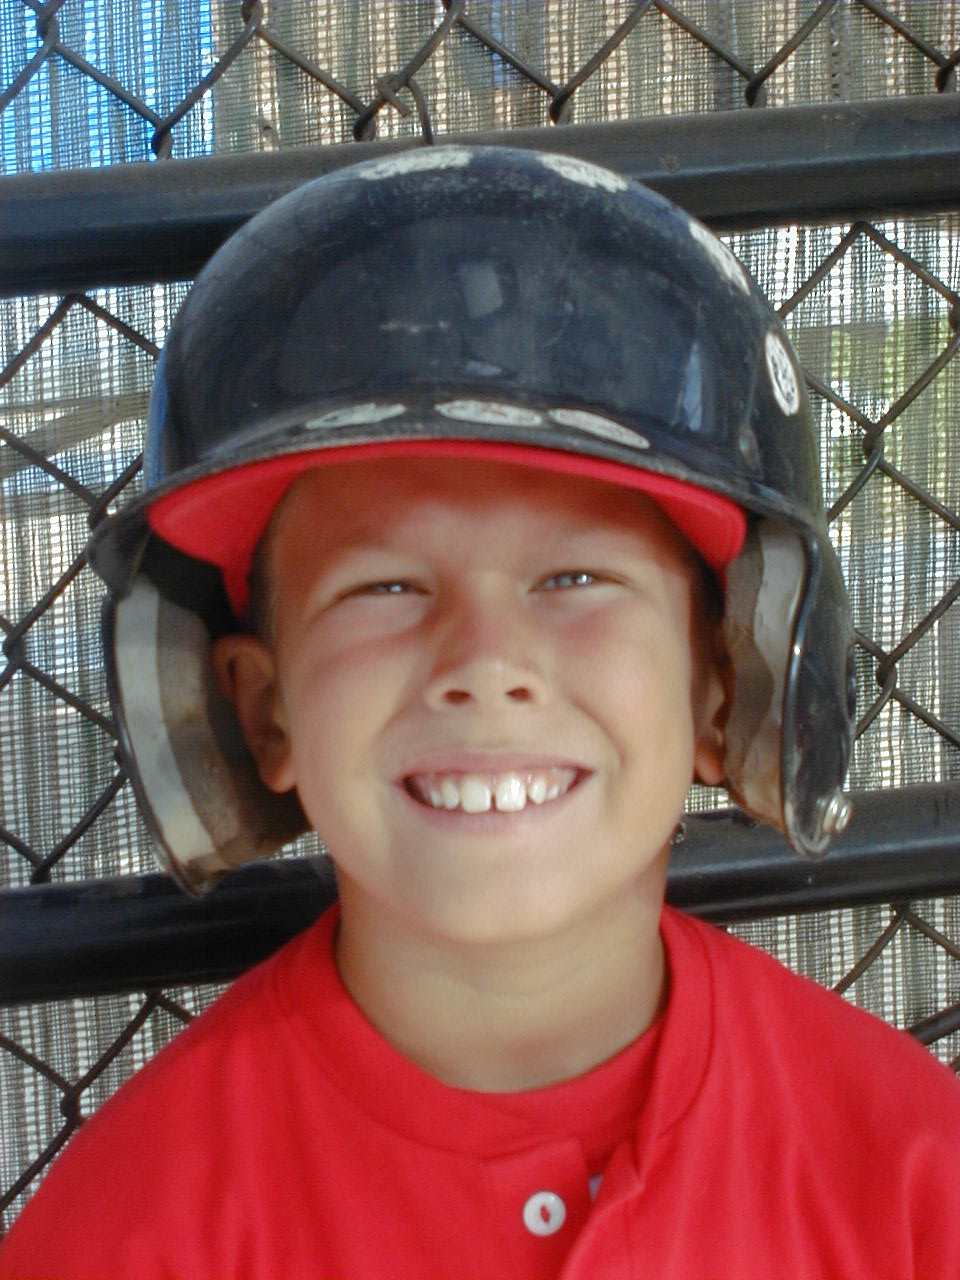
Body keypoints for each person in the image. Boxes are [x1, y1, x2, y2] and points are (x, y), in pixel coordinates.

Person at [1, 145, 959, 1279]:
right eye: (385, 587)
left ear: (721, 682)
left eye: (576, 578)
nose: (486, 663)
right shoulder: (132, 1231)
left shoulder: (908, 1170)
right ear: (265, 715)